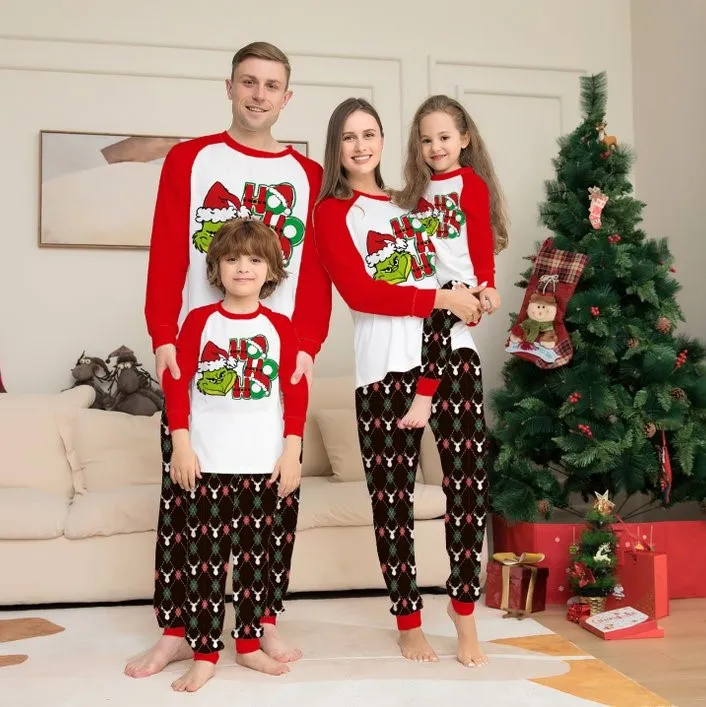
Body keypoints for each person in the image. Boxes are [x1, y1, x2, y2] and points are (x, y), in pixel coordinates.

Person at [125, 40, 330, 679]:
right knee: (184, 509)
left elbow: (317, 270)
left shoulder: (309, 175)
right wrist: (163, 333)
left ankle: (259, 624)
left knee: (274, 509)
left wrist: (308, 343)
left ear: (287, 97)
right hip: (198, 358)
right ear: (229, 86)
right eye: (248, 81)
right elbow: (166, 249)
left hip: (276, 362)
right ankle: (175, 630)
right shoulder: (190, 160)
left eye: (271, 85)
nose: (258, 94)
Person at [312, 97, 491, 668]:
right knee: (392, 501)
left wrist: (476, 292)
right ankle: (408, 622)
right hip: (383, 370)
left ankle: (464, 614)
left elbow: (457, 261)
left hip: (452, 355)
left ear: (386, 141)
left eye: (370, 134)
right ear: (336, 147)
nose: (360, 145)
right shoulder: (332, 214)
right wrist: (440, 298)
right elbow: (362, 293)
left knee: (468, 492)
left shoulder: (411, 202)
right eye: (349, 137)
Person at [164, 218, 308, 691]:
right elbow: (176, 383)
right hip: (206, 464)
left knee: (254, 563)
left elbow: (295, 393)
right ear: (216, 268)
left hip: (263, 466)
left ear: (270, 270)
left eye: (254, 259)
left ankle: (247, 646)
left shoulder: (281, 327)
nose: (242, 268)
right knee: (204, 564)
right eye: (231, 259)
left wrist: (292, 452)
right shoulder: (199, 321)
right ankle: (204, 654)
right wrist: (181, 445)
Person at [395, 94, 509, 429]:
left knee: (436, 325)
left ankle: (424, 397)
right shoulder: (419, 188)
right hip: (429, 284)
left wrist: (487, 285)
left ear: (464, 139)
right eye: (426, 140)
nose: (435, 147)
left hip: (462, 285)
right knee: (427, 333)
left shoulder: (469, 183)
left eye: (444, 137)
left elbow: (481, 237)